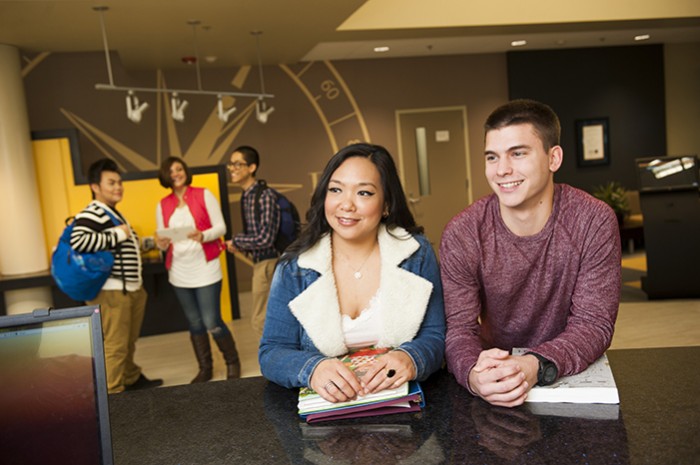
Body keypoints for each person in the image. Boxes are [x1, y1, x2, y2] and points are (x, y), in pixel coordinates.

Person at [439, 99, 621, 407]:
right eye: (492, 157)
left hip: (567, 374)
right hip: (493, 375)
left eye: (518, 154)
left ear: (554, 158)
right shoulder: (463, 233)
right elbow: (459, 330)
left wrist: (535, 365)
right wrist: (473, 374)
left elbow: (594, 324)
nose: (502, 170)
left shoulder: (592, 220)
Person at [259, 143, 445, 403]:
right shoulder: (294, 268)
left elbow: (436, 335)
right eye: (336, 190)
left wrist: (410, 358)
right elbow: (271, 352)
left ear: (387, 204)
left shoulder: (417, 254)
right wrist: (313, 369)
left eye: (364, 193)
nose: (346, 205)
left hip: (402, 409)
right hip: (325, 417)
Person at [70, 158, 163, 394]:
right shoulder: (92, 213)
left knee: (127, 342)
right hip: (112, 292)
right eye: (111, 183)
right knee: (115, 346)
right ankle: (113, 395)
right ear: (95, 186)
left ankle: (131, 378)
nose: (118, 187)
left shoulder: (112, 214)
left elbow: (123, 247)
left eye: (119, 182)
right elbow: (78, 241)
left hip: (130, 289)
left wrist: (148, 243)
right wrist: (117, 235)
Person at [155, 156, 240, 382]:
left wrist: (203, 235)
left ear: (185, 171)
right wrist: (160, 243)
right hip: (179, 271)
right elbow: (162, 235)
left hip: (206, 267)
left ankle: (232, 361)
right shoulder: (162, 204)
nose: (176, 174)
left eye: (179, 169)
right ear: (165, 176)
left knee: (211, 320)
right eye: (171, 171)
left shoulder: (204, 194)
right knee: (194, 322)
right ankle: (205, 368)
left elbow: (221, 227)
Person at [225, 146, 280, 337]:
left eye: (238, 164)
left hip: (269, 263)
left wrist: (238, 241)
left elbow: (265, 238)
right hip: (262, 263)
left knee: (261, 321)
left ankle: (274, 364)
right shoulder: (247, 196)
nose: (232, 168)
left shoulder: (264, 195)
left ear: (251, 167)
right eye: (231, 164)